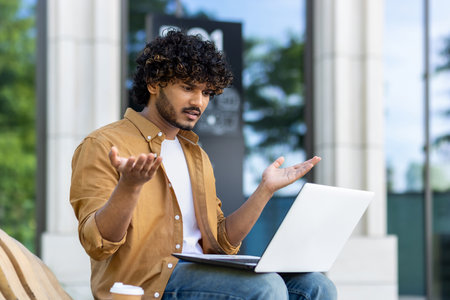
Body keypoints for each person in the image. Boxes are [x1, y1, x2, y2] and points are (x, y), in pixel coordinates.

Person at [70, 30, 337, 300]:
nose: (198, 102)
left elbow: (222, 242)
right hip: (147, 284)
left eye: (207, 92)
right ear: (154, 84)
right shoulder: (103, 144)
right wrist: (129, 186)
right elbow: (96, 244)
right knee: (265, 288)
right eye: (187, 88)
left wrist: (265, 190)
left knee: (316, 286)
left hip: (202, 273)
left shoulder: (196, 154)